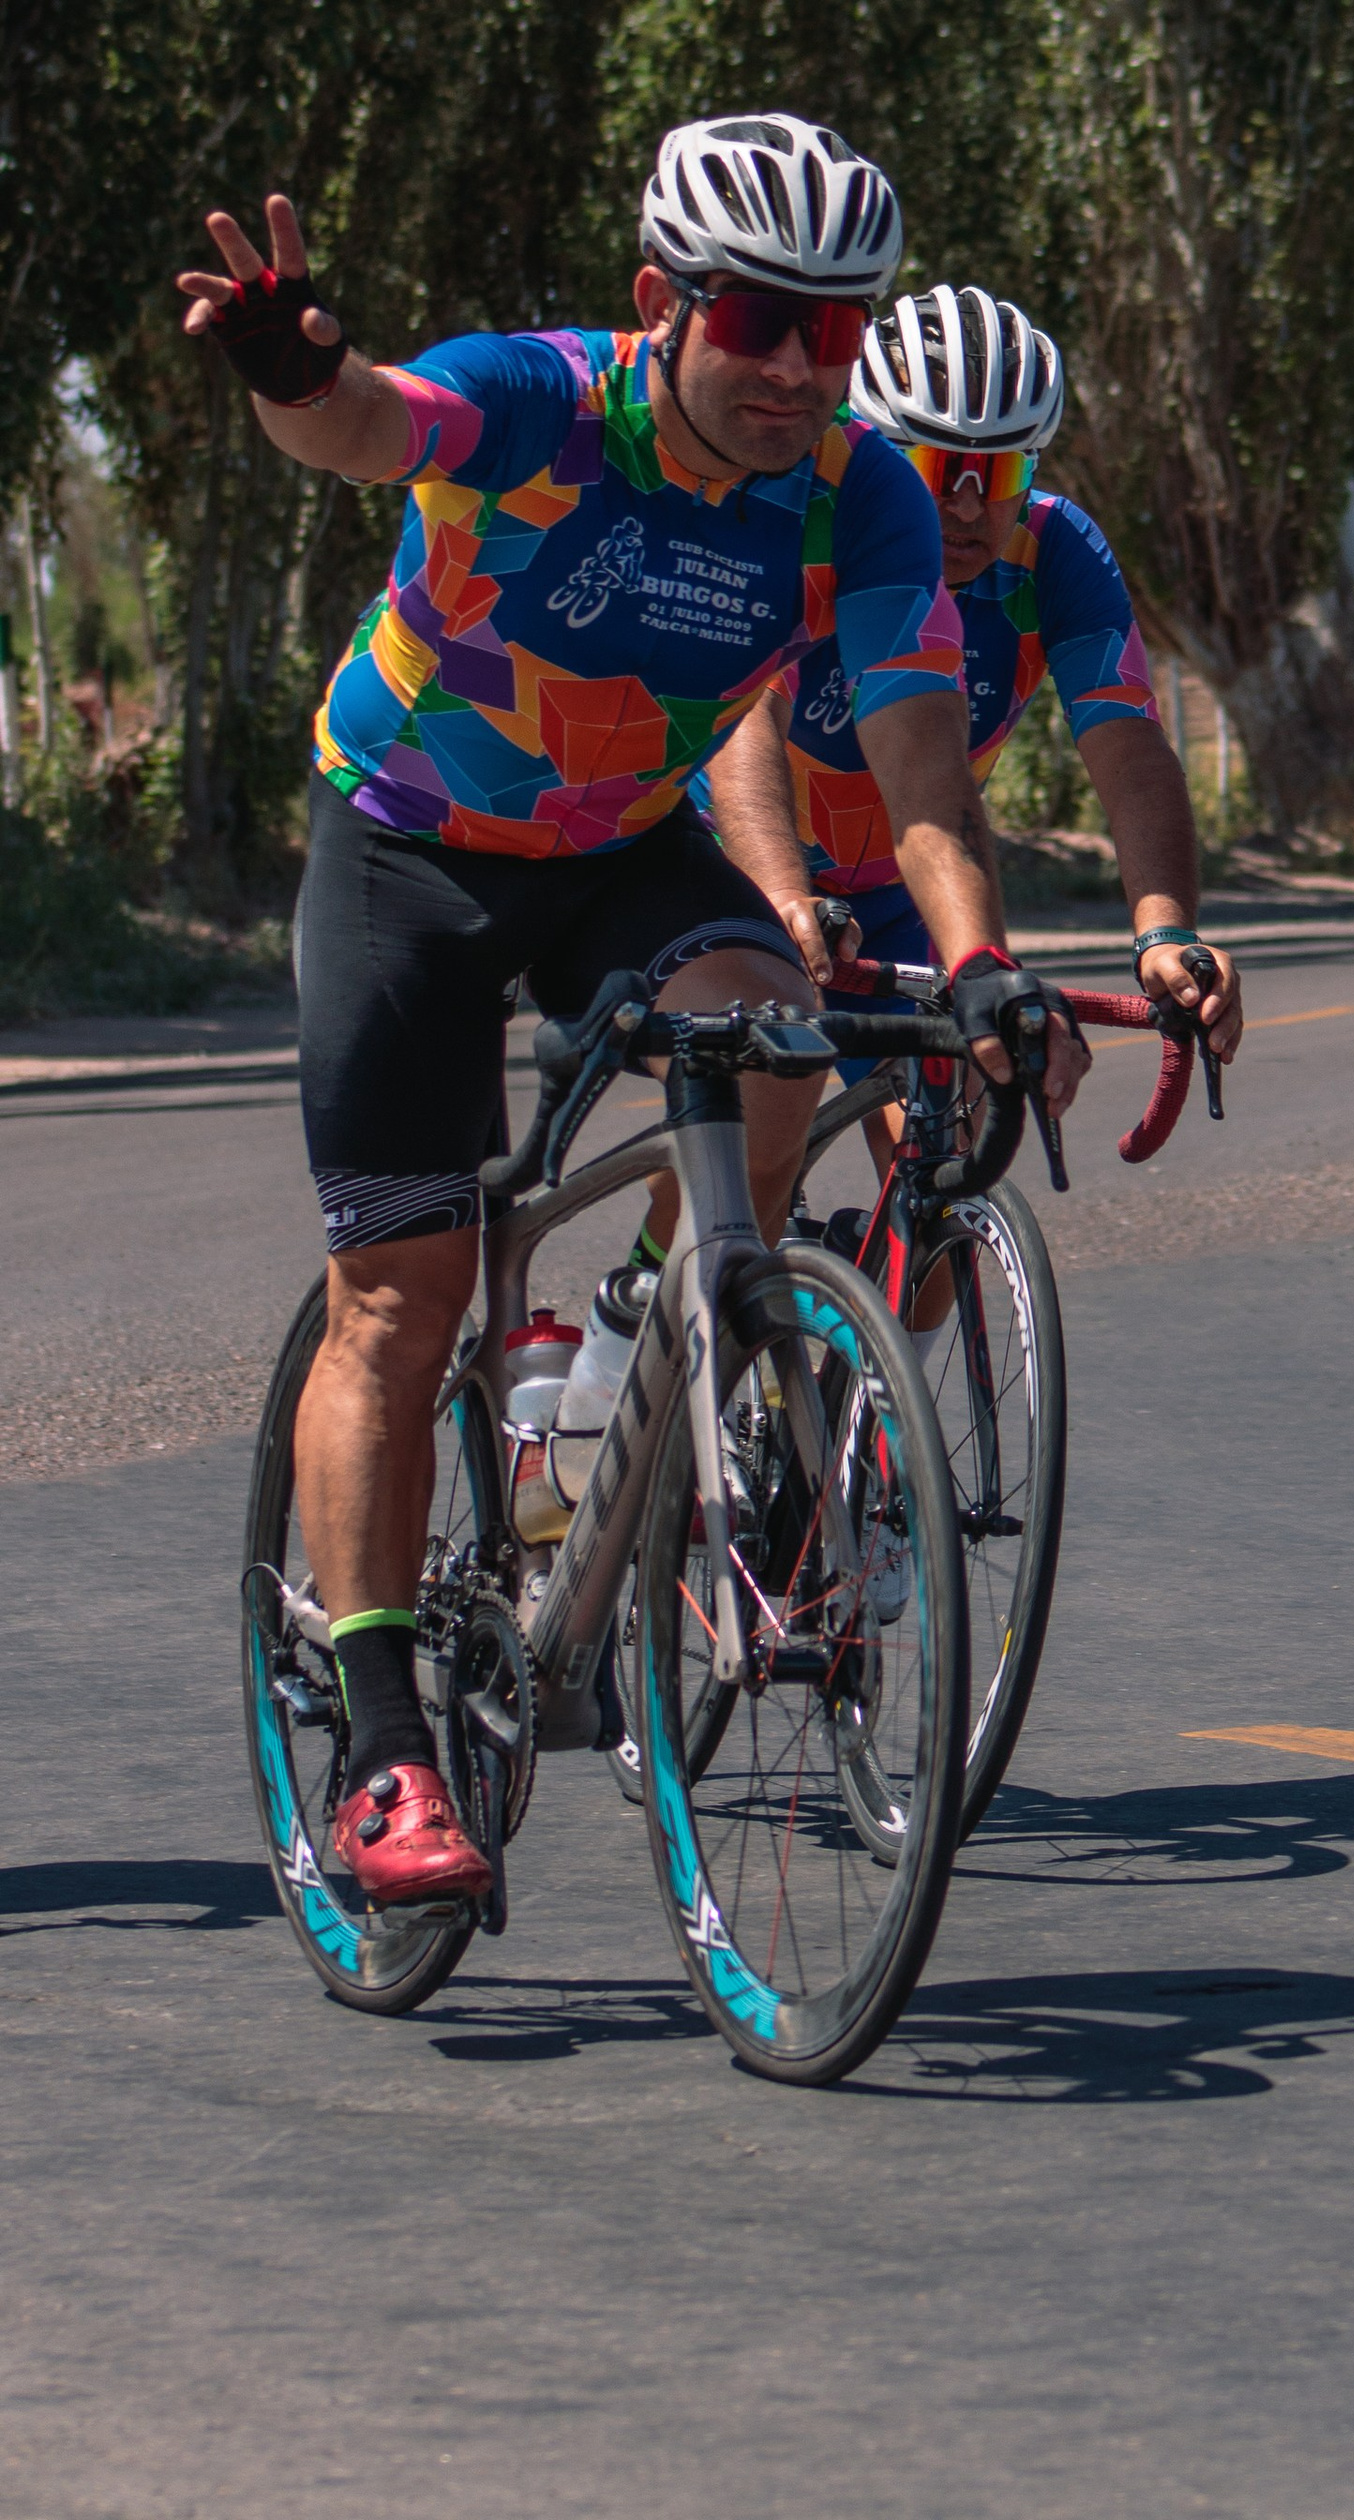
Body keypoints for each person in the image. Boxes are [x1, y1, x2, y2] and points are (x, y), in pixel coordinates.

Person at [179, 117, 1082, 1905]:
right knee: (403, 1297)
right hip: (409, 848)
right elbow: (369, 425)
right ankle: (382, 1748)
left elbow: (924, 775)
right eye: (760, 320)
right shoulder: (541, 400)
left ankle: (617, 1360)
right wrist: (293, 375)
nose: (800, 368)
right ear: (663, 299)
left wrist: (980, 964)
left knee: (776, 1036)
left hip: (616, 848)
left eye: (839, 330)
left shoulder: (862, 495)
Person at [707, 282, 1243, 1074]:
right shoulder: (803, 519)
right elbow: (747, 720)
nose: (964, 507)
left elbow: (1129, 745)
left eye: (997, 475)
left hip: (907, 891)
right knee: (767, 1103)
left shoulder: (1054, 550)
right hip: (738, 865)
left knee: (964, 1112)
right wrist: (783, 890)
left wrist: (1165, 931)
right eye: (936, 467)